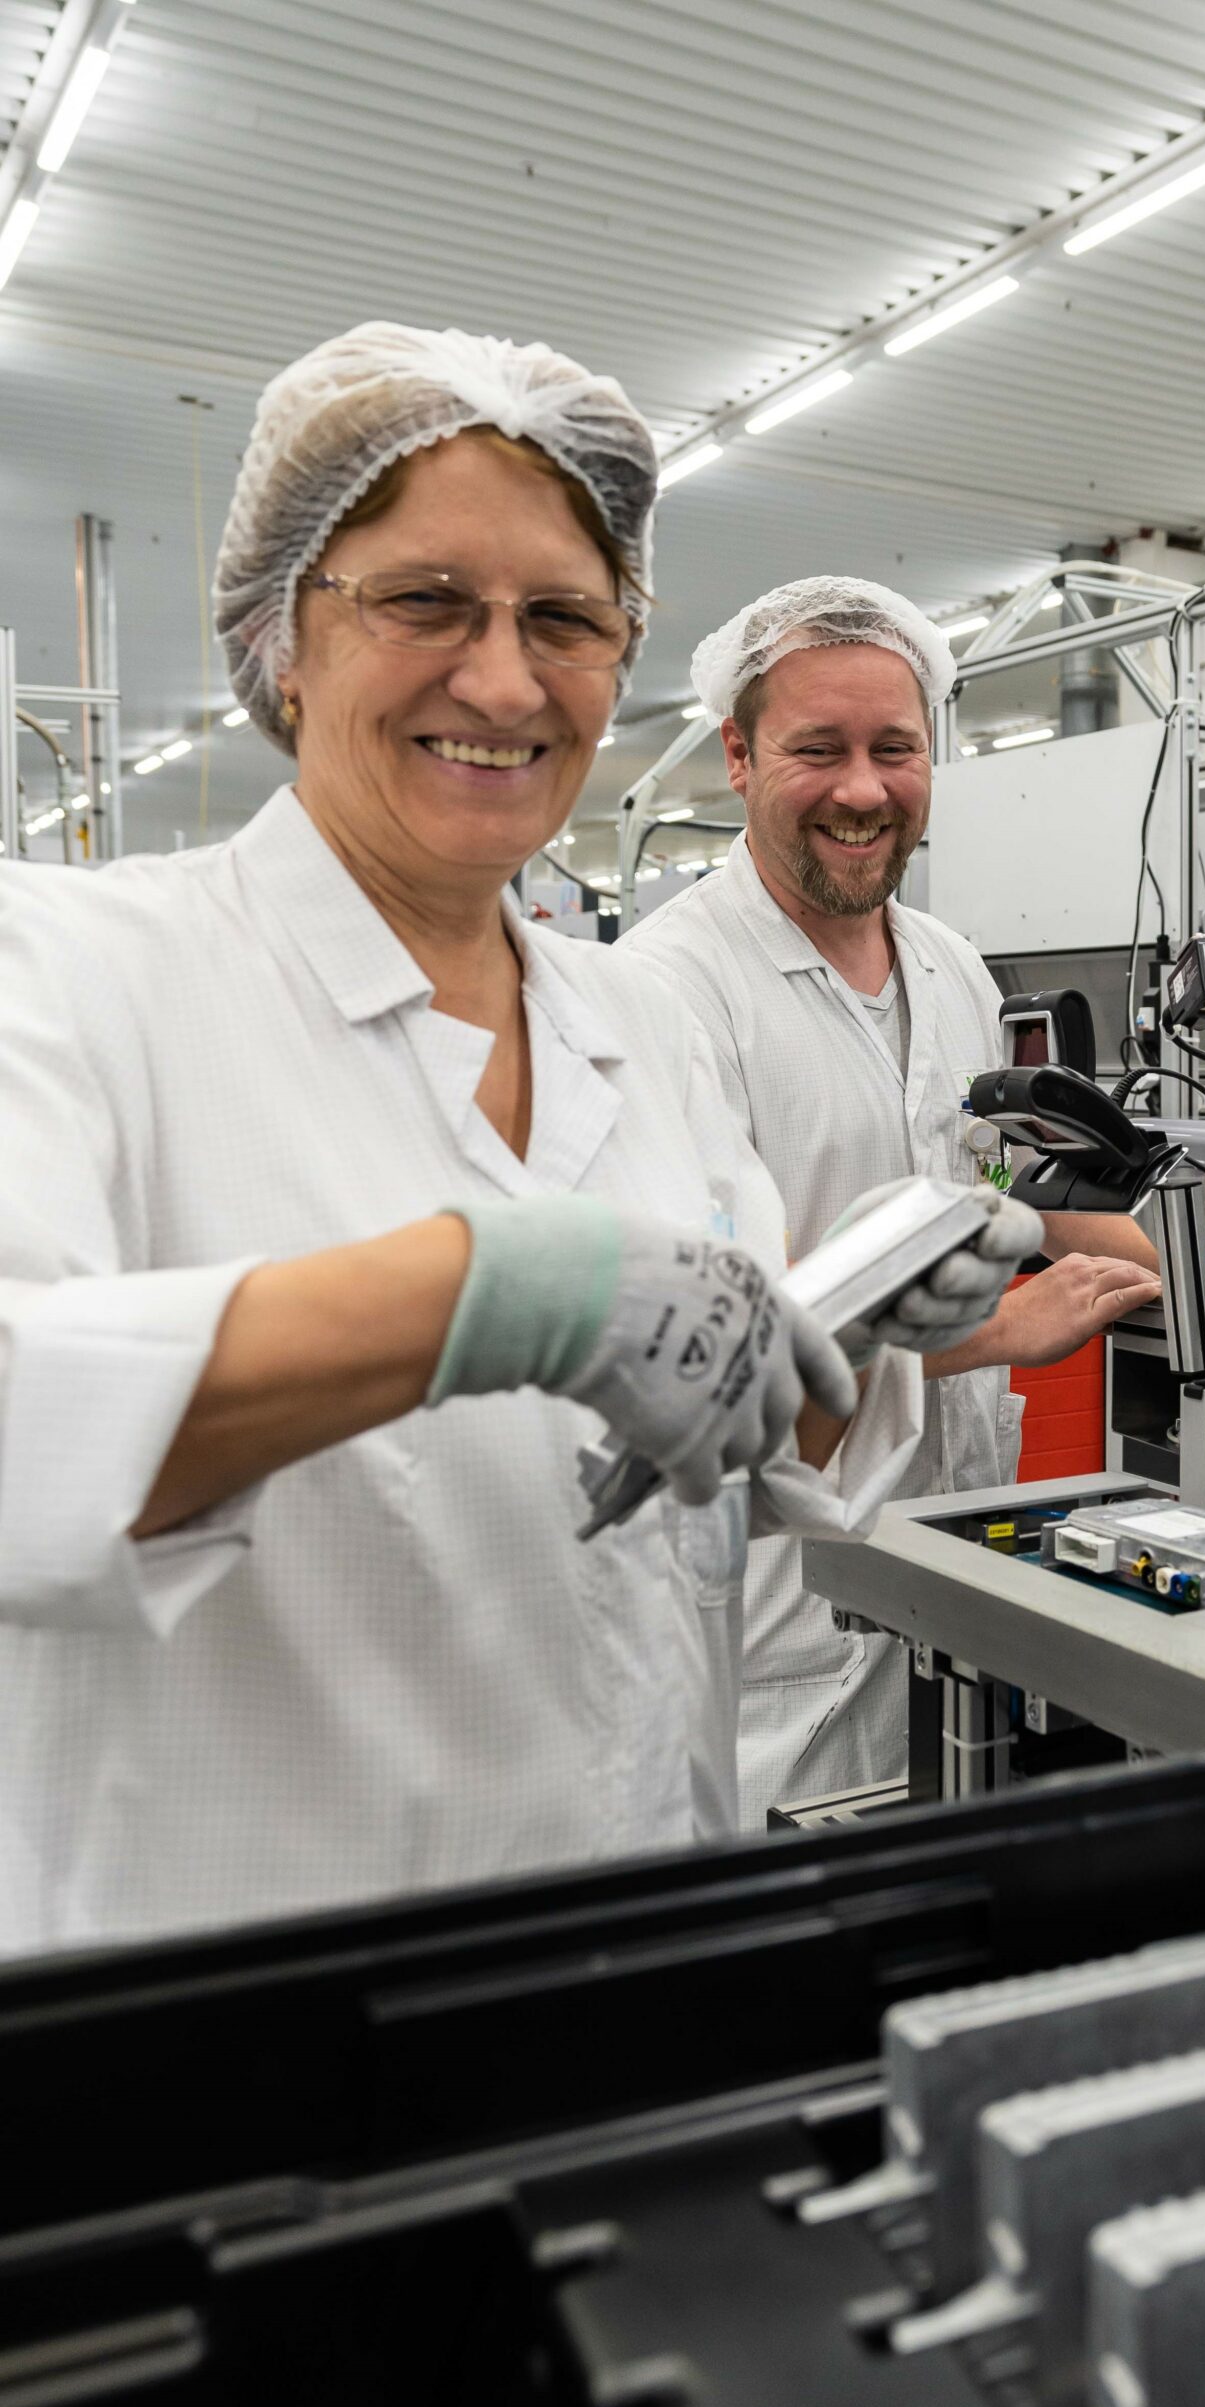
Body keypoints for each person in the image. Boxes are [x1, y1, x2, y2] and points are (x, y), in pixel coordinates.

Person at [0, 326, 1037, 1954]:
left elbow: (726, 1481)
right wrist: (484, 1293)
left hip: (631, 1962)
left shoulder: (636, 1036)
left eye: (562, 617)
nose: (500, 680)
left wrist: (849, 1330)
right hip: (238, 2027)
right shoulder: (69, 972)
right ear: (284, 638)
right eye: (421, 601)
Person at [620, 577, 1161, 1823]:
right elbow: (707, 1337)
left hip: (964, 1542)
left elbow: (987, 1180)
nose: (864, 789)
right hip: (784, 1608)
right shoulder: (666, 993)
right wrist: (994, 1334)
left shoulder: (949, 964)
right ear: (740, 755)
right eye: (819, 748)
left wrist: (1204, 1267)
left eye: (895, 748)